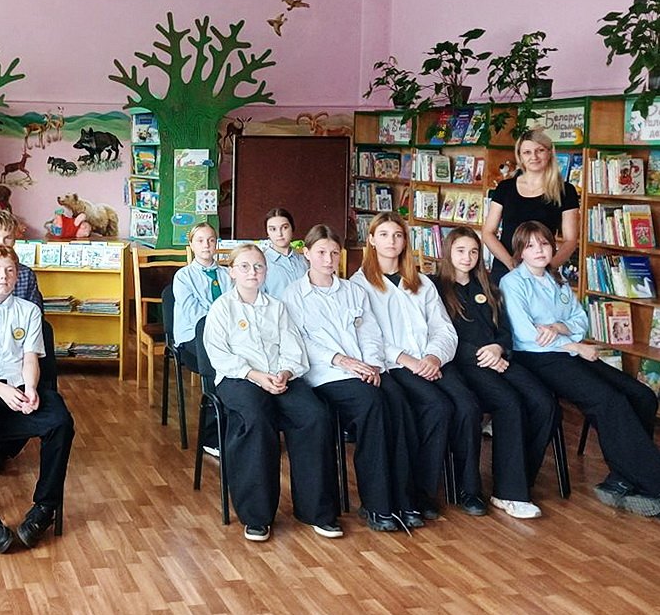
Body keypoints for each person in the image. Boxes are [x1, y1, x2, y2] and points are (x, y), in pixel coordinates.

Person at [501, 220, 660, 517]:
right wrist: (574, 345)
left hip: (568, 351)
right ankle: (653, 482)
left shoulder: (558, 278)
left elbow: (581, 320)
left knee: (642, 396)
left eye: (544, 244)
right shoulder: (513, 283)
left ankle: (623, 477)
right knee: (609, 401)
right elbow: (526, 334)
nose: (539, 250)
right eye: (530, 246)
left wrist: (558, 328)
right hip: (537, 358)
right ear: (520, 252)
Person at [203, 243, 341, 542]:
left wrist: (285, 373)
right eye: (244, 266)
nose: (252, 272)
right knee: (256, 418)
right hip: (240, 378)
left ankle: (317, 510)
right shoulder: (222, 308)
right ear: (231, 272)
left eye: (258, 266)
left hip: (279, 376)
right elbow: (220, 356)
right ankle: (257, 516)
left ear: (266, 271)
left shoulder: (277, 307)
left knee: (315, 416)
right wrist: (256, 376)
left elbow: (294, 348)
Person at [281, 224, 416, 532]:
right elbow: (300, 342)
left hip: (363, 369)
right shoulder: (293, 295)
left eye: (333, 253)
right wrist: (342, 360)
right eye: (321, 253)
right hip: (325, 373)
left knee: (398, 401)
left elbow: (370, 333)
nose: (328, 259)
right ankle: (378, 504)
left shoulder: (353, 290)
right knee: (373, 404)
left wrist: (372, 365)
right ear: (306, 254)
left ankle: (405, 498)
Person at [351, 212, 484, 517]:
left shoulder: (422, 282)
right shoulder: (359, 285)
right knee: (437, 407)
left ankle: (469, 489)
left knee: (468, 406)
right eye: (384, 235)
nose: (392, 241)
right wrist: (408, 360)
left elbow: (444, 328)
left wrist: (434, 356)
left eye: (398, 235)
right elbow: (366, 336)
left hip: (433, 360)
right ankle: (422, 492)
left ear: (405, 241)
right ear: (371, 240)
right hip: (395, 365)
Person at [0, 244, 75, 552]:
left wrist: (30, 387)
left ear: (17, 275)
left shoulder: (29, 311)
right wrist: (1, 389)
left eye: (9, 270)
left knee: (60, 421)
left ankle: (44, 507)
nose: (3, 276)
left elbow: (31, 358)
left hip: (20, 387)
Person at [434, 227, 555, 519]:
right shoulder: (435, 287)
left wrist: (499, 349)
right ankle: (509, 493)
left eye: (474, 251)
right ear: (448, 252)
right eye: (460, 251)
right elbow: (441, 335)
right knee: (509, 402)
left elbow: (504, 328)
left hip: (499, 357)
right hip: (463, 364)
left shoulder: (487, 285)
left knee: (544, 402)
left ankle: (517, 475)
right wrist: (483, 355)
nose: (467, 257)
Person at [483, 129, 580, 283]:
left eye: (540, 150)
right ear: (520, 156)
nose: (534, 157)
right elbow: (488, 232)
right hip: (505, 270)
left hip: (542, 273)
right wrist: (510, 263)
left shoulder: (565, 191)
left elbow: (570, 240)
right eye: (527, 152)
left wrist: (547, 268)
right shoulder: (505, 188)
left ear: (550, 153)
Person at [171, 222, 231, 452]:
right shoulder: (183, 276)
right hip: (194, 338)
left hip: (227, 335)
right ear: (191, 245)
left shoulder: (227, 274)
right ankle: (211, 435)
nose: (206, 245)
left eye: (211, 240)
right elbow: (194, 313)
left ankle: (237, 426)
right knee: (215, 360)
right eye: (200, 240)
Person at [261, 207, 308, 299]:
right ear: (267, 233)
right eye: (273, 229)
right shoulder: (261, 263)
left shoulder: (305, 261)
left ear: (292, 228)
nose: (279, 234)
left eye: (284, 227)